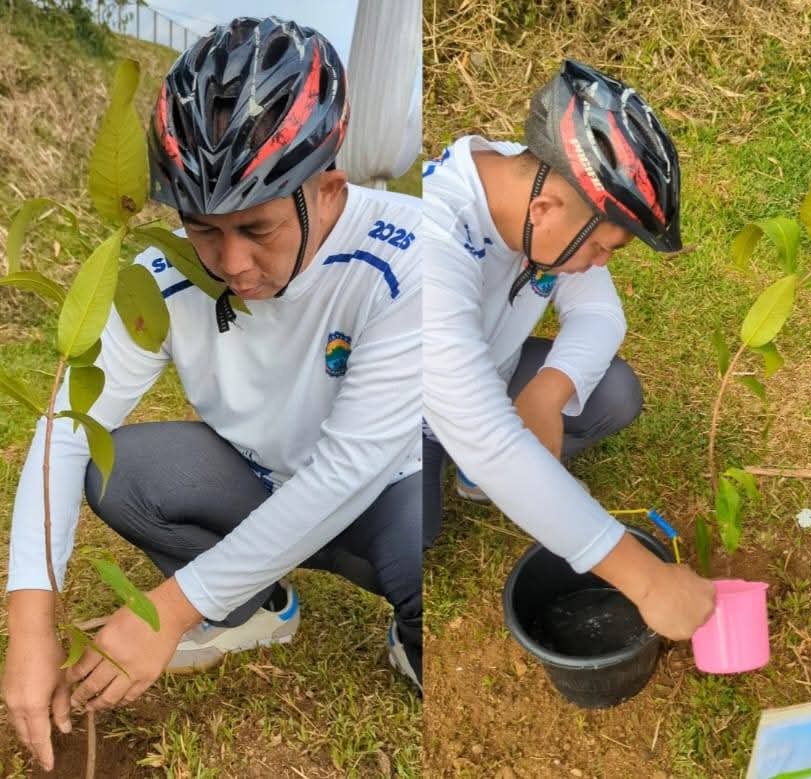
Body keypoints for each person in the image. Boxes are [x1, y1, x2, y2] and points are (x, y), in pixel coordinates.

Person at [3, 17, 423, 772]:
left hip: (380, 498)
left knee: (429, 554)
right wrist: (29, 621)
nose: (229, 263)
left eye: (256, 229)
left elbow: (345, 473)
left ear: (327, 191)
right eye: (203, 228)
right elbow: (68, 424)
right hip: (259, 486)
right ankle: (254, 608)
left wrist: (168, 609)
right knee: (112, 465)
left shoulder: (403, 261)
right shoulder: (165, 278)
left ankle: (411, 624)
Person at [421, 59, 715, 641]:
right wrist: (649, 583)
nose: (601, 263)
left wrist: (546, 394)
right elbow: (484, 434)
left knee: (612, 391)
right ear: (544, 212)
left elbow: (601, 315)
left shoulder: (541, 186)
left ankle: (489, 480)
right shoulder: (432, 245)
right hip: (407, 416)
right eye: (604, 248)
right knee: (412, 532)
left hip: (487, 376)